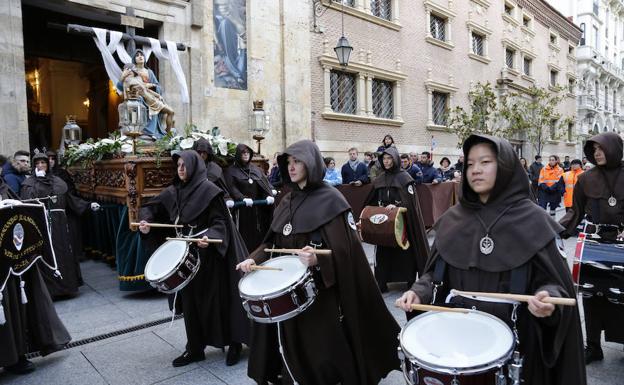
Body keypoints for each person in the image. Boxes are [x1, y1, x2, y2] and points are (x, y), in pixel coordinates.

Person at [396, 134, 586, 385]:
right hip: (457, 342)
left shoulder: (534, 220)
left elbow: (553, 283)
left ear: (505, 167)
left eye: (485, 162)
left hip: (516, 340)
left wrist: (547, 299)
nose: (475, 170)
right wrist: (418, 291)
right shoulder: (453, 219)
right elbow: (435, 274)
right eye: (471, 164)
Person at [237, 140, 400, 385]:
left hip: (320, 293)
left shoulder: (331, 200)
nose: (291, 167)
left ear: (311, 163)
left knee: (320, 350)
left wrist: (318, 258)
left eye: (297, 162)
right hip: (286, 288)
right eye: (288, 162)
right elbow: (271, 243)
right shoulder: (286, 201)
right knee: (288, 342)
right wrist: (253, 258)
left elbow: (349, 253)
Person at [139, 151, 249, 367]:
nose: (180, 169)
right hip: (185, 257)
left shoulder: (210, 191)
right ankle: (195, 348)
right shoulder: (173, 192)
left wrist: (212, 237)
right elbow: (150, 208)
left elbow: (220, 223)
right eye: (178, 165)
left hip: (211, 257)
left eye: (184, 165)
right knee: (190, 304)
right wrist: (146, 223)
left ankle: (234, 343)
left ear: (195, 166)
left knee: (218, 302)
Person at [560, 132, 624, 364]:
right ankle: (593, 346)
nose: (597, 152)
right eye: (593, 148)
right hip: (594, 244)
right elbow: (574, 212)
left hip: (622, 245)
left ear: (615, 149)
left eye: (601, 148)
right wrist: (552, 230)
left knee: (622, 296)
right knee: (591, 294)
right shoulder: (586, 179)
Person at [0, 174, 71, 375]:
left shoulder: (3, 187)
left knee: (13, 308)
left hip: (9, 261)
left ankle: (15, 356)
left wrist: (15, 206)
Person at [20, 153, 99, 298]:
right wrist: (41, 180)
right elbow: (29, 201)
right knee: (48, 255)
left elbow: (70, 200)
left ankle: (67, 288)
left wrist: (87, 205)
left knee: (63, 253)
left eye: (43, 163)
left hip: (61, 225)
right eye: (38, 163)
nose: (41, 166)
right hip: (42, 223)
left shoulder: (58, 181)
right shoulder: (29, 184)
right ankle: (52, 291)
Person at [366, 147, 430, 292]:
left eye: (389, 158)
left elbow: (411, 203)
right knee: (383, 254)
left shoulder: (404, 178)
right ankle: (382, 282)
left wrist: (396, 206)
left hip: (403, 225)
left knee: (405, 253)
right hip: (384, 226)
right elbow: (372, 200)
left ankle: (408, 281)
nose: (386, 161)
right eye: (384, 159)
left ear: (395, 159)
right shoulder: (380, 178)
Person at [224, 144, 275, 252]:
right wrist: (242, 198)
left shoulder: (255, 169)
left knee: (258, 233)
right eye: (243, 152)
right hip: (242, 211)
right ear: (238, 155)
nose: (246, 154)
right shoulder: (231, 171)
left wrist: (269, 193)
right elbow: (232, 187)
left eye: (247, 152)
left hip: (257, 210)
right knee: (245, 235)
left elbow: (263, 182)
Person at [118, 49, 171, 137]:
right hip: (138, 98)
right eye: (137, 55)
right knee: (137, 102)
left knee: (169, 111)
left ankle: (161, 133)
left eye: (142, 55)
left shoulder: (149, 72)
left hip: (149, 96)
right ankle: (141, 131)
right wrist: (123, 76)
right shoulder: (131, 71)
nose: (140, 56)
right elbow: (121, 86)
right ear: (134, 59)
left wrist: (151, 86)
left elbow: (158, 87)